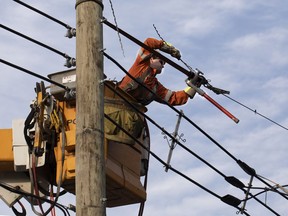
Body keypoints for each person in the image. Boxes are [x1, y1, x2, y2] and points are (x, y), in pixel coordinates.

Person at [118, 37, 197, 106]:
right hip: (116, 100)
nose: (163, 66)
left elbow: (173, 98)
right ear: (152, 59)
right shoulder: (142, 64)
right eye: (161, 62)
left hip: (131, 111)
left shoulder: (155, 87)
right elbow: (148, 42)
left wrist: (193, 87)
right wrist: (170, 49)